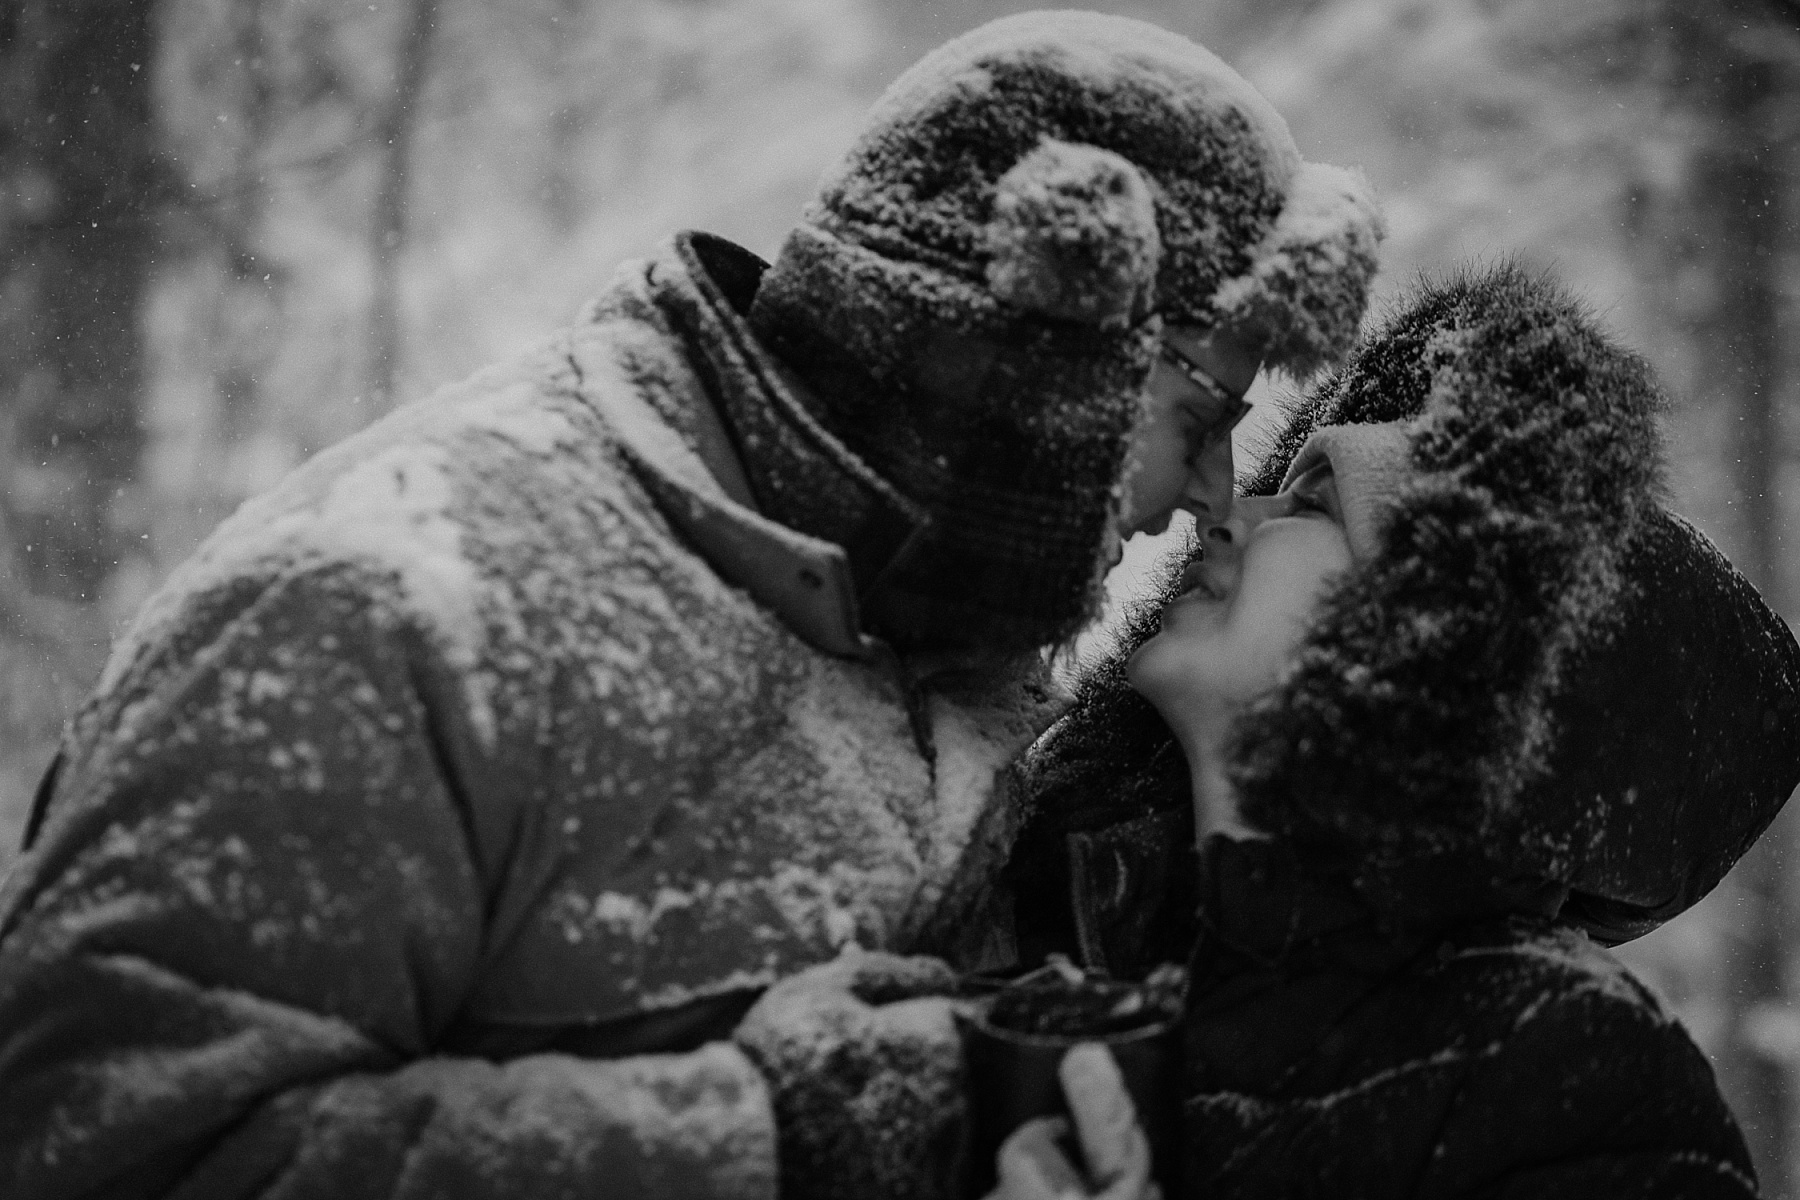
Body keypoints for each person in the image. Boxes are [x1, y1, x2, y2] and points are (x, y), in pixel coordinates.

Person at [0, 12, 1382, 1200]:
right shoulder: (394, 608)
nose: (1213, 490)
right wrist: (770, 1142)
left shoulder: (946, 641)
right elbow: (95, 1147)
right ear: (1043, 358)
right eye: (1202, 405)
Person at [994, 264, 1800, 1197]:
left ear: (1435, 651)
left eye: (1311, 504)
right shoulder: (1038, 938)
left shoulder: (1566, 1072)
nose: (1225, 511)